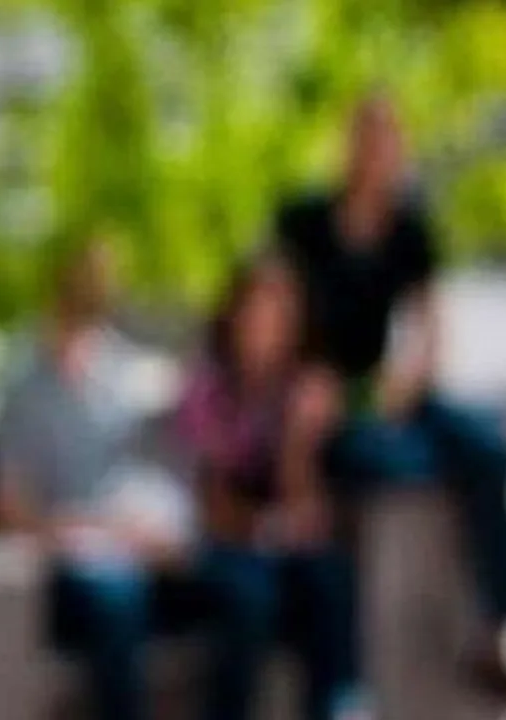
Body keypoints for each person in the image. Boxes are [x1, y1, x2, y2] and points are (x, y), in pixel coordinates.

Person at [274, 93, 506, 704]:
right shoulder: (305, 222)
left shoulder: (410, 225)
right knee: (394, 465)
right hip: (322, 396)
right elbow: (271, 312)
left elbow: (430, 325)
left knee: (489, 445)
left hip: (389, 391)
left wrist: (404, 382)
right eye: (369, 142)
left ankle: (496, 625)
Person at [0, 233, 181, 720]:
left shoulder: (119, 375)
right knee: (118, 599)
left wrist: (142, 527)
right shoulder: (25, 385)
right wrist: (68, 529)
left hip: (125, 545)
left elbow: (144, 476)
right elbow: (7, 505)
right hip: (60, 556)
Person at [175, 258, 363, 720]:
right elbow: (208, 502)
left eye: (278, 317)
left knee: (326, 579)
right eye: (255, 313)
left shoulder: (304, 388)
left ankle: (339, 704)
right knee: (250, 596)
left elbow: (309, 510)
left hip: (281, 544)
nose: (265, 329)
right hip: (218, 541)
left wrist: (298, 439)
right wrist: (267, 528)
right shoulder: (207, 389)